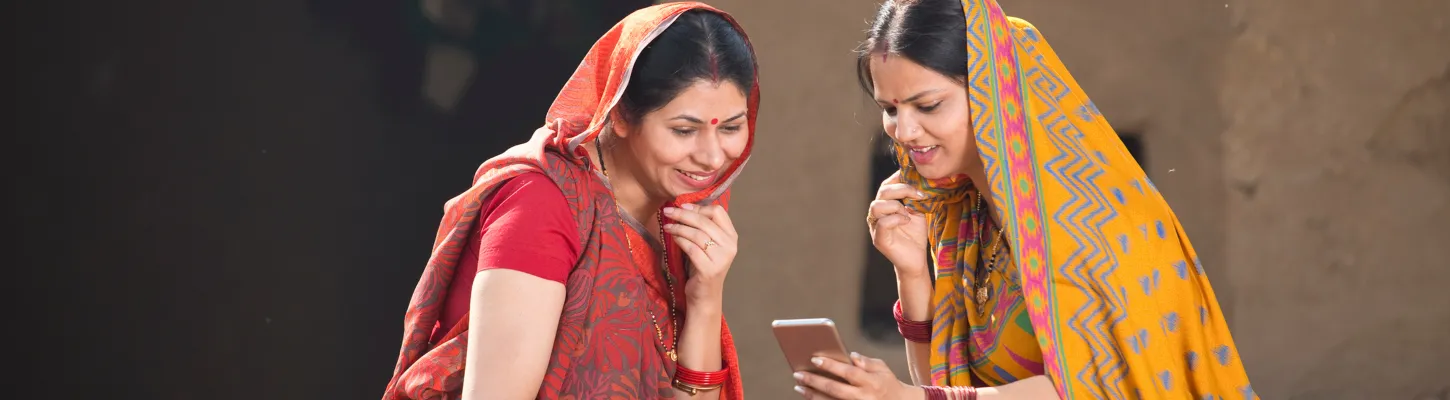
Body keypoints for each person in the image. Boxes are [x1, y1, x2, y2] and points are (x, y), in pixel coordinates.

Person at [792, 0, 1256, 399]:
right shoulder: (963, 214)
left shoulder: (1100, 225)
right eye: (890, 110)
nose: (904, 132)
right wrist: (911, 272)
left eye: (927, 106)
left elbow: (1091, 387)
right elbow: (939, 383)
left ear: (998, 93)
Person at [380, 3, 759, 399]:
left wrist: (705, 297)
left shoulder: (676, 223)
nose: (714, 157)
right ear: (621, 113)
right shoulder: (540, 205)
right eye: (684, 130)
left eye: (732, 127)